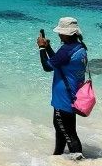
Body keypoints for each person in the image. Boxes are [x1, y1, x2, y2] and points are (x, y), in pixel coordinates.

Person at [36, 17, 87, 156]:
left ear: (66, 34)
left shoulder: (66, 51)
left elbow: (47, 67)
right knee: (62, 130)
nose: (59, 34)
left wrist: (41, 48)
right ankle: (57, 157)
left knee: (68, 133)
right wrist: (48, 48)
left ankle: (79, 163)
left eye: (60, 32)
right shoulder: (79, 47)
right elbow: (59, 62)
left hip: (63, 98)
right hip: (73, 95)